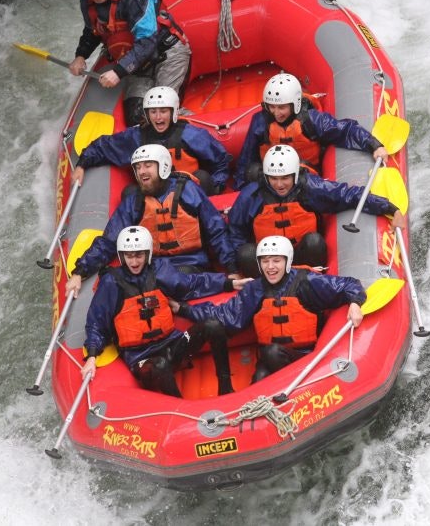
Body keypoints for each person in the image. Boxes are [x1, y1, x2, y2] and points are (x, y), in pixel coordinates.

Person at [72, 226, 250, 396]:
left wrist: (228, 283)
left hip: (172, 345)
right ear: (122, 256)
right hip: (141, 358)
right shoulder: (111, 282)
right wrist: (92, 356)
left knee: (212, 325)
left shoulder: (159, 271)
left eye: (139, 255)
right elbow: (97, 322)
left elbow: (192, 283)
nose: (134, 262)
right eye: (129, 256)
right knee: (160, 364)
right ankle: (180, 409)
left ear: (147, 253)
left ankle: (225, 387)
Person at [172, 236, 365, 383]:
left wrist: (355, 302)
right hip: (270, 359)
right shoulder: (255, 289)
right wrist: (183, 309)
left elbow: (349, 284)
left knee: (271, 352)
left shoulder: (307, 282)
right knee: (260, 376)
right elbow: (225, 315)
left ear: (287, 261)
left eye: (276, 261)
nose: (270, 267)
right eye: (265, 261)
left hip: (307, 356)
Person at [228, 145, 406, 277]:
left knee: (315, 242)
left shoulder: (311, 187)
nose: (279, 185)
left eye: (285, 178)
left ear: (295, 175)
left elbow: (348, 194)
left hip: (303, 254)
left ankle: (315, 284)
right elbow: (235, 230)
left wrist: (390, 208)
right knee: (245, 253)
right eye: (274, 179)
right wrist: (234, 269)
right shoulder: (251, 196)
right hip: (269, 263)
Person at [68, 0, 191, 126]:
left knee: (162, 111)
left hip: (167, 55)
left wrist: (119, 71)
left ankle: (193, 125)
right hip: (140, 66)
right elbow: (92, 32)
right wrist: (80, 56)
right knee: (136, 117)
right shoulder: (87, 2)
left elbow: (147, 42)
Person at [86, 144, 238, 274]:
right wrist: (82, 270)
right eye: (138, 167)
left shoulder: (188, 191)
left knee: (179, 275)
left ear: (163, 166)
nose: (142, 171)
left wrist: (232, 268)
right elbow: (109, 239)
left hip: (192, 263)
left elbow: (216, 230)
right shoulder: (134, 201)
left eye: (148, 165)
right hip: (154, 269)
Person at [233, 72, 389, 188]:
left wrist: (374, 145)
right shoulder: (261, 122)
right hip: (273, 175)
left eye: (282, 107)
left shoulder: (311, 120)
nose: (276, 113)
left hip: (304, 175)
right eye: (271, 107)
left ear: (295, 104)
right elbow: (247, 156)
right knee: (252, 171)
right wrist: (241, 187)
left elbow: (346, 130)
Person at [73, 86, 232, 195]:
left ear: (173, 112)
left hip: (191, 193)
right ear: (147, 114)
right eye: (153, 112)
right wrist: (82, 165)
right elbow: (103, 147)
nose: (158, 117)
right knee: (130, 193)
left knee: (203, 177)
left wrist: (216, 185)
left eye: (163, 111)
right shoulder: (136, 137)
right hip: (155, 195)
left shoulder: (191, 135)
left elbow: (221, 160)